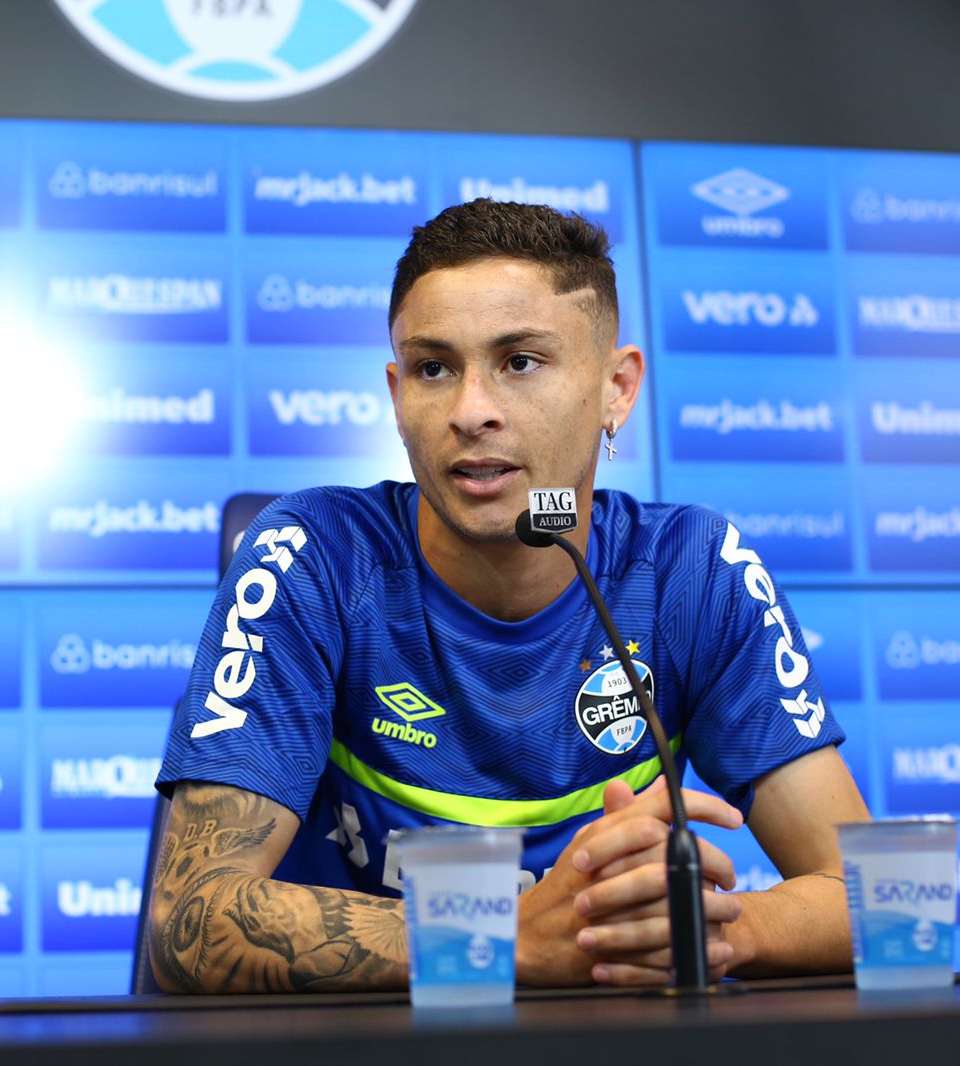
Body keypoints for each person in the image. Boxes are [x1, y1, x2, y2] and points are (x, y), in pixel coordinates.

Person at [148, 199, 871, 993]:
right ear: (396, 394)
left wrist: (696, 932)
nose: (470, 412)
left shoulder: (691, 571)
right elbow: (189, 921)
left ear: (617, 388)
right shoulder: (315, 557)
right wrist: (503, 938)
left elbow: (879, 903)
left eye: (520, 362)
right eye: (433, 368)